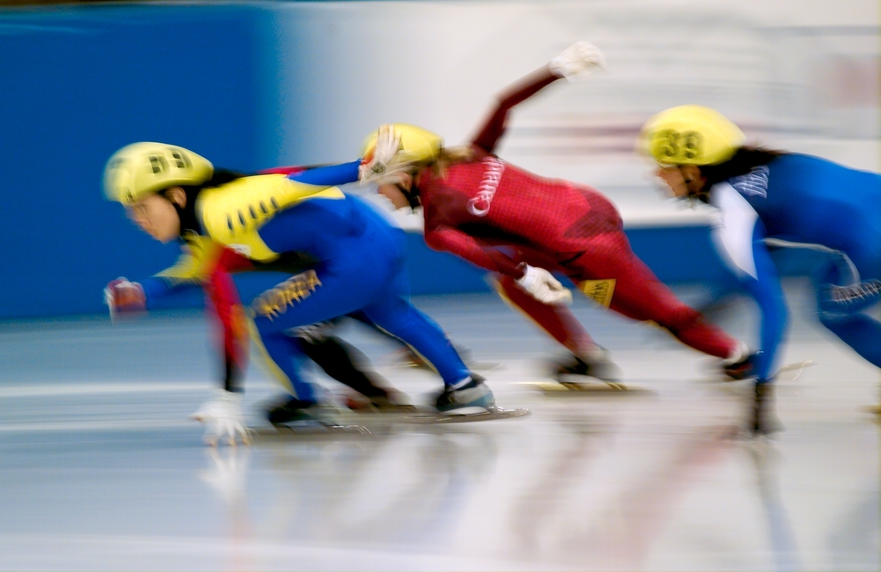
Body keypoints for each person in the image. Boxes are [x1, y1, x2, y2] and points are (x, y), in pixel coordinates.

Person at [358, 43, 754, 388]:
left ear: (406, 174)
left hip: (587, 252)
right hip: (587, 207)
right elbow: (503, 103)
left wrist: (527, 274)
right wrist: (558, 68)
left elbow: (485, 256)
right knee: (512, 279)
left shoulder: (437, 226)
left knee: (654, 314)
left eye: (381, 180)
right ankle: (585, 355)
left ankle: (738, 356)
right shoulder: (471, 153)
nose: (378, 191)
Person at [102, 142, 496, 443]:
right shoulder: (207, 226)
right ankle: (465, 387)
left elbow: (295, 182)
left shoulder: (223, 209)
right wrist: (142, 292)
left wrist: (227, 393)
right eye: (129, 211)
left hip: (351, 259)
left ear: (176, 195)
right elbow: (191, 273)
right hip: (378, 238)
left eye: (140, 206)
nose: (137, 220)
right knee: (392, 313)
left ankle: (308, 401)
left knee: (262, 320)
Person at [638, 104, 881, 433]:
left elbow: (772, 308)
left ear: (693, 170)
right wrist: (709, 307)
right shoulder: (769, 165)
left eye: (664, 166)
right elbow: (766, 253)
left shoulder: (733, 208)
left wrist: (760, 396)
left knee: (831, 309)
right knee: (828, 279)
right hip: (868, 231)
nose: (656, 175)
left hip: (871, 244)